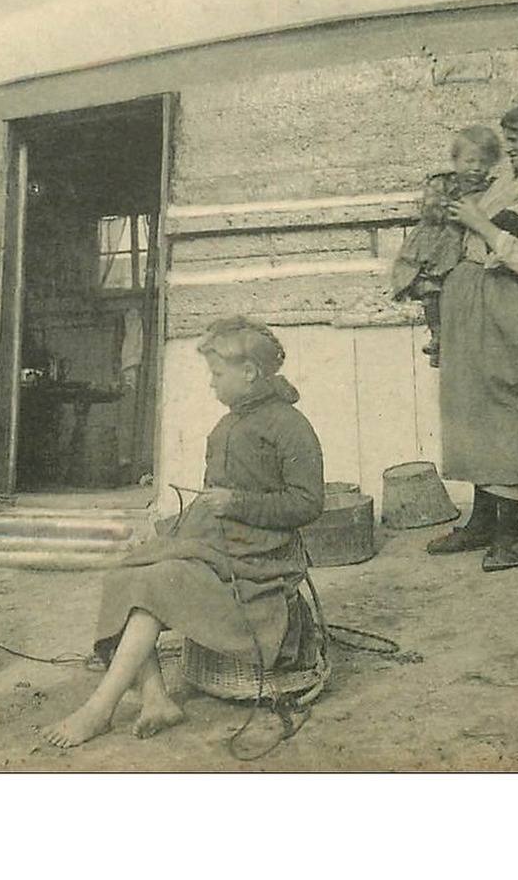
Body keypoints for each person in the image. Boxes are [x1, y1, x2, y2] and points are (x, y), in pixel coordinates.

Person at [43, 316, 324, 748]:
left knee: (157, 580)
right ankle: (156, 698)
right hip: (219, 547)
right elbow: (216, 500)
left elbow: (308, 503)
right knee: (128, 572)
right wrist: (179, 527)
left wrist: (237, 503)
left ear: (248, 373)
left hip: (259, 560)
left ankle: (100, 709)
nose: (211, 384)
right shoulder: (226, 426)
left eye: (217, 374)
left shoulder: (289, 426)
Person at [428, 99, 518, 572]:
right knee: (471, 406)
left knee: (506, 407)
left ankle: (513, 533)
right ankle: (482, 521)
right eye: (506, 135)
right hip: (470, 296)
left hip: (505, 300)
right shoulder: (512, 181)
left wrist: (478, 223)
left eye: (517, 137)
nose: (507, 145)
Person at [391, 126, 499, 366]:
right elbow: (431, 208)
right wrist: (458, 208)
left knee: (463, 290)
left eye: (483, 162)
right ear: (456, 161)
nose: (476, 168)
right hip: (437, 244)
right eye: (469, 161)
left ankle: (462, 340)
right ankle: (437, 333)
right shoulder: (443, 183)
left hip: (467, 244)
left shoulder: (493, 188)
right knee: (431, 290)